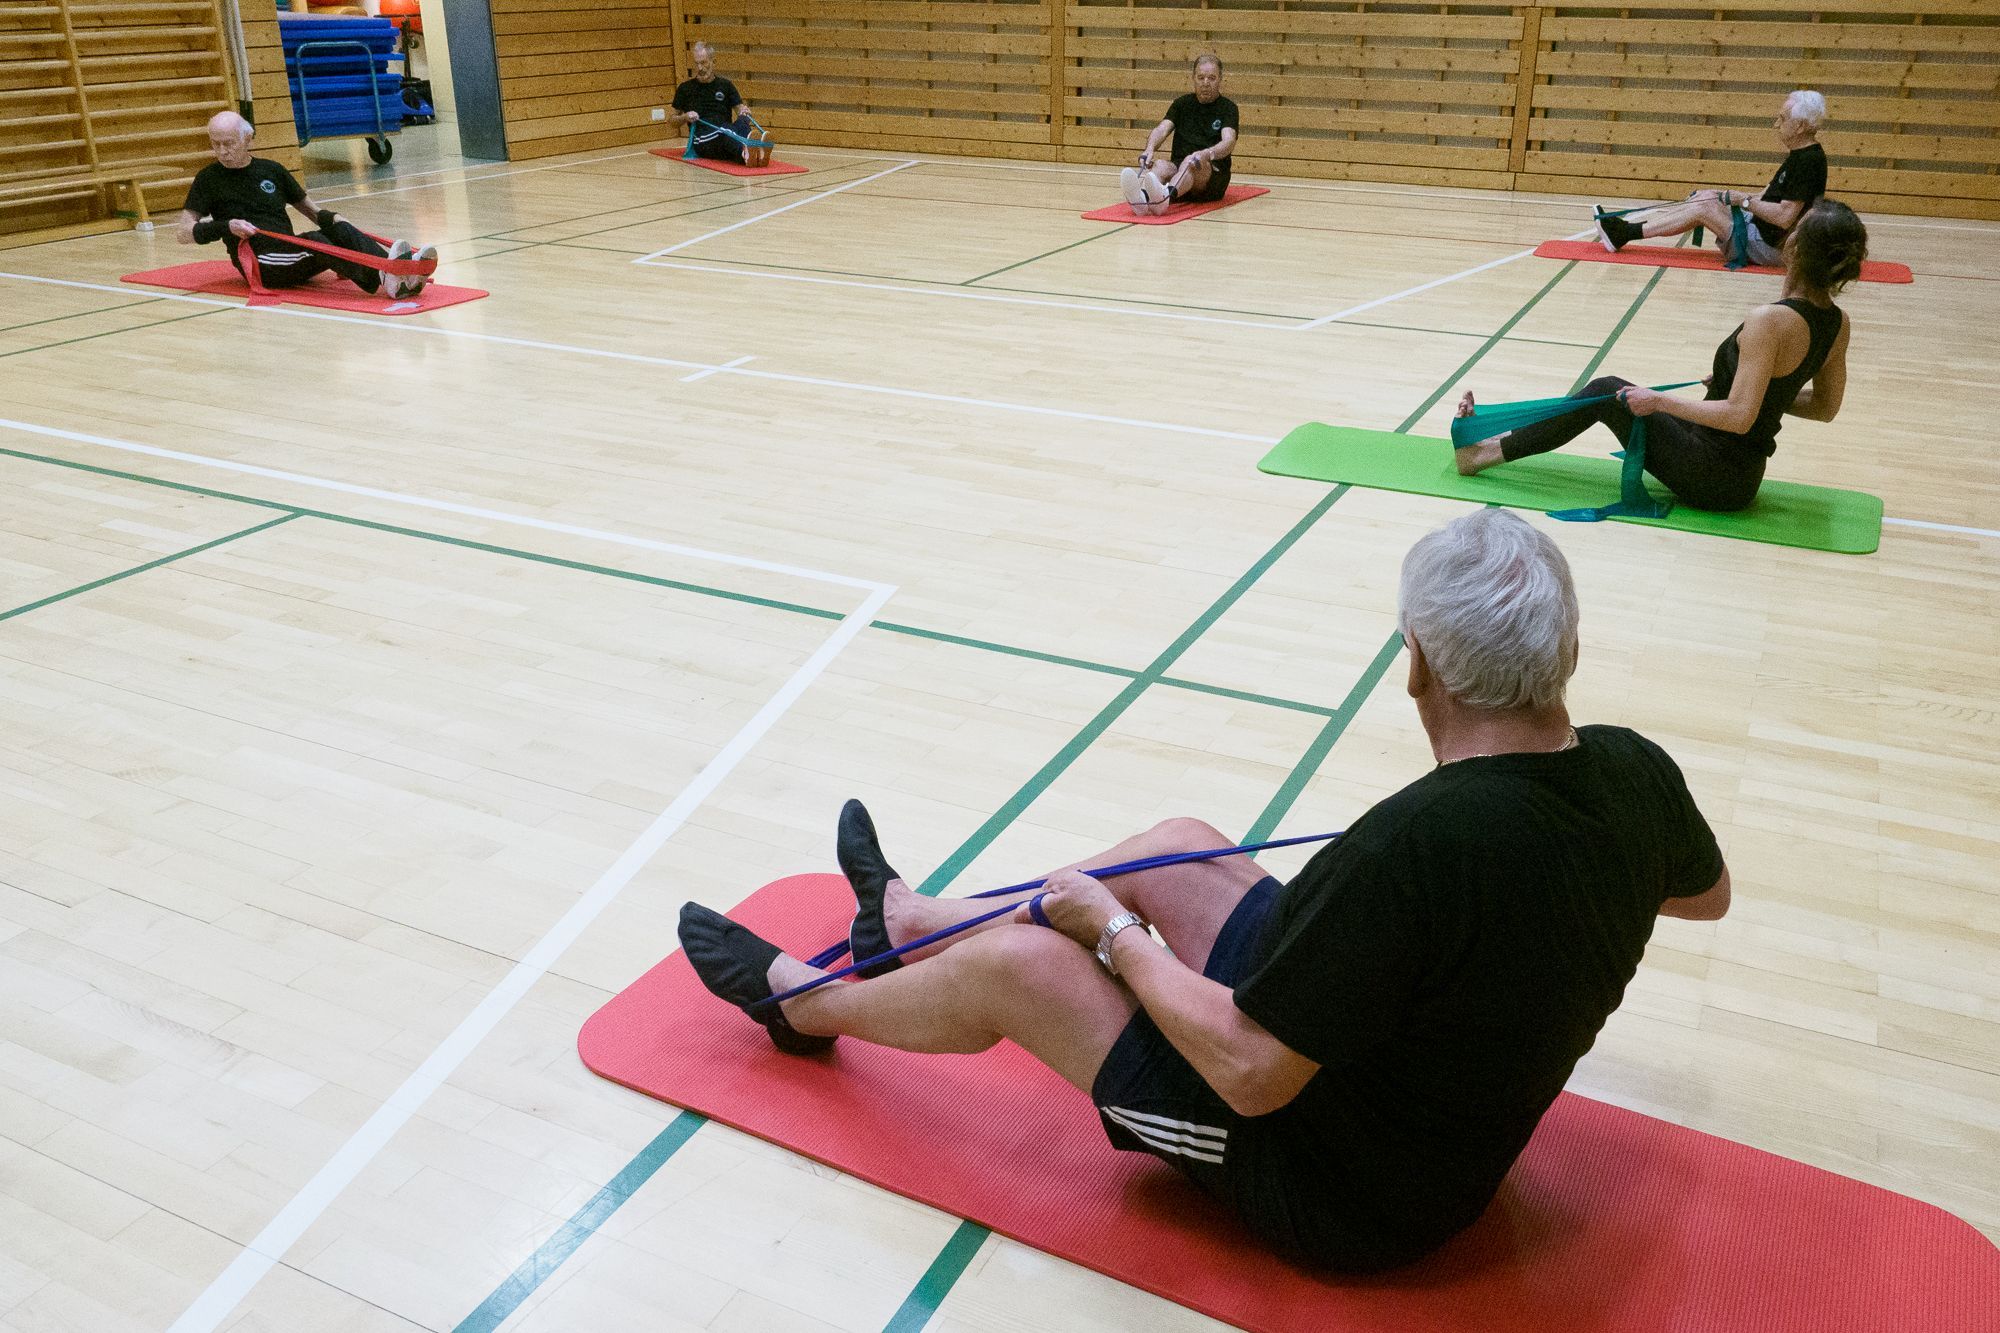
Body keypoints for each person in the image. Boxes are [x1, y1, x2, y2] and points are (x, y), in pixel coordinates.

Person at [678, 508, 1732, 1274]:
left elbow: (1249, 1075)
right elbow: (1705, 894)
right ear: (1565, 651)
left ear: (1418, 667)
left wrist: (1116, 936)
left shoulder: (1410, 847)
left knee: (1025, 966)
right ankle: (908, 923)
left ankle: (801, 1007)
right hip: (1401, 1070)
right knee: (1179, 847)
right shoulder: (1631, 769)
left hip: (1344, 1190)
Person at [1455, 199, 1864, 513]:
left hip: (1715, 476)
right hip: (1737, 474)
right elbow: (1825, 407)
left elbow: (1740, 417)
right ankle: (1497, 440)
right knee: (1611, 393)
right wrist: (1738, 386)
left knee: (1608, 390)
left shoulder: (1769, 320)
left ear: (1795, 248)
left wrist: (1660, 401)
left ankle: (1482, 454)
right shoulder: (1838, 322)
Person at [174, 112, 434, 300]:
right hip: (262, 261)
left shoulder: (272, 170)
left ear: (248, 138)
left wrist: (336, 221)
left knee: (336, 227)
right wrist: (226, 226)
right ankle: (383, 278)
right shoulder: (208, 178)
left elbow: (312, 210)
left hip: (288, 250)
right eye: (215, 144)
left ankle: (400, 273)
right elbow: (184, 233)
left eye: (229, 143)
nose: (222, 151)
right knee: (318, 241)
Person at [1595, 91, 1829, 267]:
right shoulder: (1800, 156)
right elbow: (1766, 198)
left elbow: (1784, 217)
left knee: (1703, 210)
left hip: (1769, 247)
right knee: (1703, 198)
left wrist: (1742, 201)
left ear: (1799, 126)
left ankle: (1625, 234)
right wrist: (1721, 196)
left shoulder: (1809, 161)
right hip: (1758, 229)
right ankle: (1624, 231)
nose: (1776, 124)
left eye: (1782, 118)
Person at [1120, 55, 1237, 216]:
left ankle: (1164, 198)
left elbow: (1229, 141)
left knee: (1190, 162)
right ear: (1193, 78)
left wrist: (1207, 154)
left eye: (1211, 78)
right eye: (1201, 77)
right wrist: (1149, 149)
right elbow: (1162, 129)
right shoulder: (1182, 104)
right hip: (1181, 174)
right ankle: (1141, 200)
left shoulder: (1228, 108)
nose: (1205, 83)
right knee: (1160, 165)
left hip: (1211, 176)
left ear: (1220, 79)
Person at [675, 41, 759, 164]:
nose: (699, 68)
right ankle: (748, 152)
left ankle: (746, 151)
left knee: (742, 121)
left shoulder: (726, 85)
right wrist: (684, 117)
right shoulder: (685, 88)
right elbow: (671, 121)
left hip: (726, 138)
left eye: (703, 63)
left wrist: (745, 112)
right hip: (703, 141)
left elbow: (740, 110)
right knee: (724, 130)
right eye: (696, 64)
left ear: (713, 62)